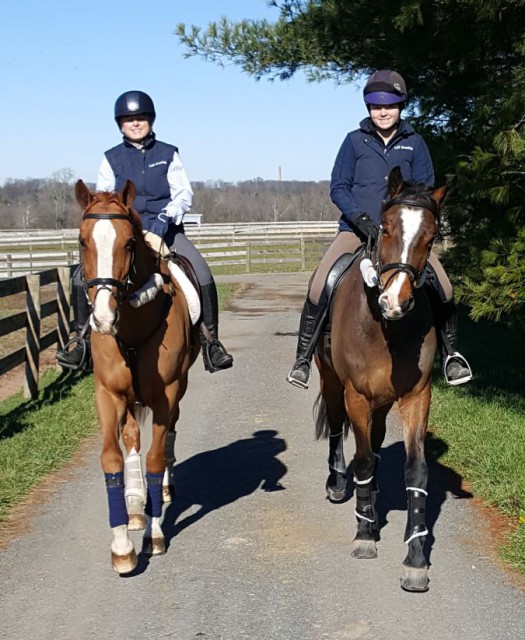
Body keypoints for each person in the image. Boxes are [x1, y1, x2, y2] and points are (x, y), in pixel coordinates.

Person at [286, 70, 472, 389]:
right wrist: (359, 218)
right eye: (375, 105)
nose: (382, 112)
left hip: (401, 238)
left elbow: (426, 191)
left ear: (401, 106)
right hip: (355, 231)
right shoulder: (354, 141)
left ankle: (451, 355)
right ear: (368, 107)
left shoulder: (415, 143)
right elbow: (339, 186)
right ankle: (303, 358)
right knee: (321, 283)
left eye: (390, 105)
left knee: (444, 286)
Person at [56, 90, 233, 374]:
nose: (135, 124)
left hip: (167, 231)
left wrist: (168, 215)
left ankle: (211, 341)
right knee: (80, 277)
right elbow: (105, 197)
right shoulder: (110, 159)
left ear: (150, 120)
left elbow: (183, 193)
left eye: (140, 118)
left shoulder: (168, 154)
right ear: (120, 125)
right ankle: (80, 342)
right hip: (125, 234)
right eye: (128, 120)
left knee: (201, 271)